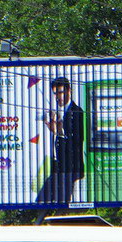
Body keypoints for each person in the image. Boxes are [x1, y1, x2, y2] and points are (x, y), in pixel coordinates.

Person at [36, 76, 84, 206]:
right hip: (59, 168)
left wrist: (59, 131)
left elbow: (77, 139)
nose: (58, 97)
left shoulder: (76, 111)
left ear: (69, 91)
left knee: (61, 203)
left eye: (61, 92)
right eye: (55, 93)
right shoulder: (61, 112)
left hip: (70, 168)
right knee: (43, 200)